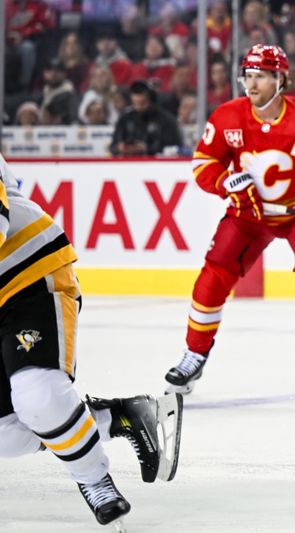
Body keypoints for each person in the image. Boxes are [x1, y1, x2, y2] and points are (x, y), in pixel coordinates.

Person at [163, 44, 295, 401]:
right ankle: (194, 355)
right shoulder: (227, 116)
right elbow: (204, 164)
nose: (251, 83)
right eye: (247, 75)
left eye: (260, 75)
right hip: (250, 214)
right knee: (212, 277)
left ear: (281, 79)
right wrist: (224, 183)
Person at [0, 153, 183, 529]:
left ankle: (93, 479)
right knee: (5, 435)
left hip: (26, 273)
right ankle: (118, 417)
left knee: (39, 396)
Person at [110, 80, 183, 156]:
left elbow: (174, 148)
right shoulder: (125, 119)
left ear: (151, 100)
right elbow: (113, 146)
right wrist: (119, 148)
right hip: (129, 164)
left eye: (142, 103)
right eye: (135, 103)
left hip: (157, 164)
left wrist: (147, 148)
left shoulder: (166, 120)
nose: (138, 107)